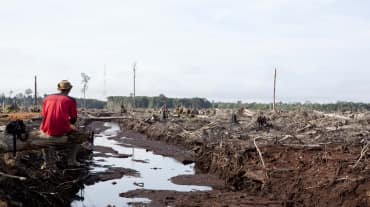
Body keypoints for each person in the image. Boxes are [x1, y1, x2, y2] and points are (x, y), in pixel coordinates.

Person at [40, 80, 80, 168]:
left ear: (59, 88)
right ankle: (71, 160)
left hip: (46, 129)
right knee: (78, 137)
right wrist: (71, 125)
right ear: (69, 89)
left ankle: (47, 162)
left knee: (43, 139)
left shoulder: (47, 98)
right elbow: (73, 119)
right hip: (61, 130)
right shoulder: (70, 100)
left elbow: (43, 115)